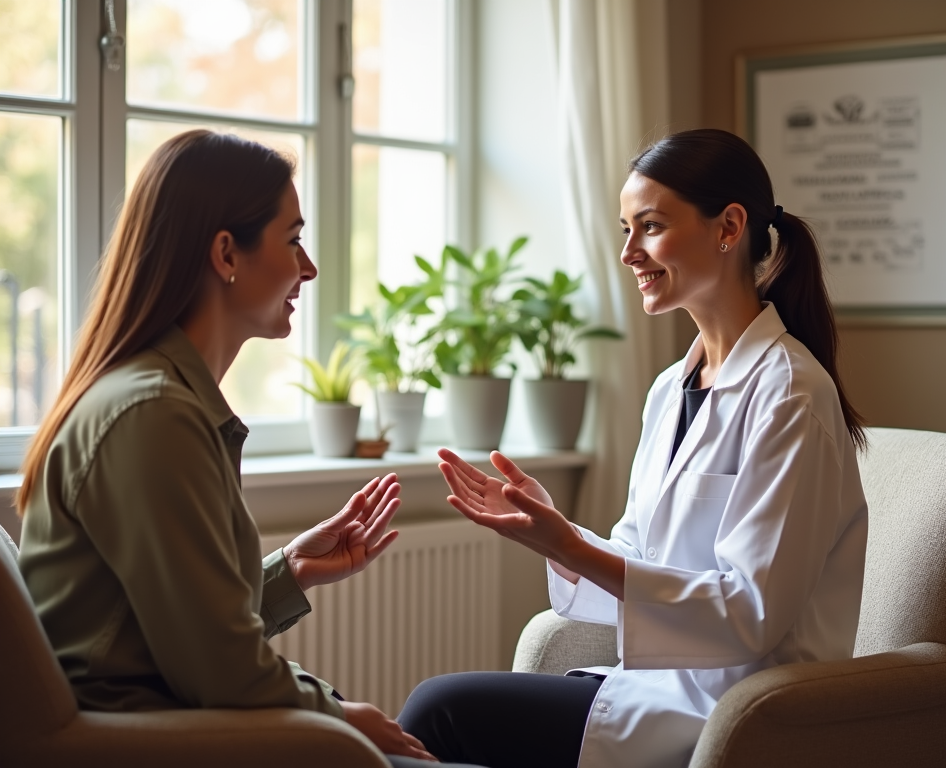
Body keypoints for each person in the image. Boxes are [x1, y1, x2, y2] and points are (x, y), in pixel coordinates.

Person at [397, 128, 870, 768]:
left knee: (438, 711)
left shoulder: (789, 395)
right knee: (431, 721)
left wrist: (566, 544)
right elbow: (640, 556)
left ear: (728, 227)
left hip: (734, 711)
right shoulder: (670, 390)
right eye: (626, 229)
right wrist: (556, 536)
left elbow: (752, 614)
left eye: (649, 226)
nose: (628, 253)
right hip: (650, 690)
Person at [16, 130, 479, 768]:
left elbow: (161, 626)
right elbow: (220, 671)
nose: (308, 267)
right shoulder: (153, 415)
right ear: (227, 253)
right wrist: (342, 718)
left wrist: (290, 571)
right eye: (293, 240)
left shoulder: (158, 399)